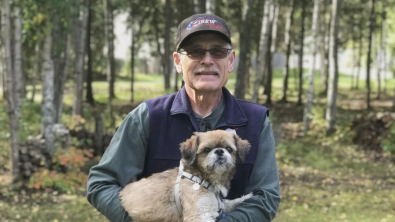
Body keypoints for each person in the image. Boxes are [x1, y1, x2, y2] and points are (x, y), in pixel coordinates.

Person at [87, 13, 280, 222]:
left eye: (217, 52)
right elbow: (101, 183)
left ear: (230, 60)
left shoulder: (256, 120)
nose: (207, 61)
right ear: (178, 62)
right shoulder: (149, 116)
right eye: (196, 52)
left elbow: (265, 197)